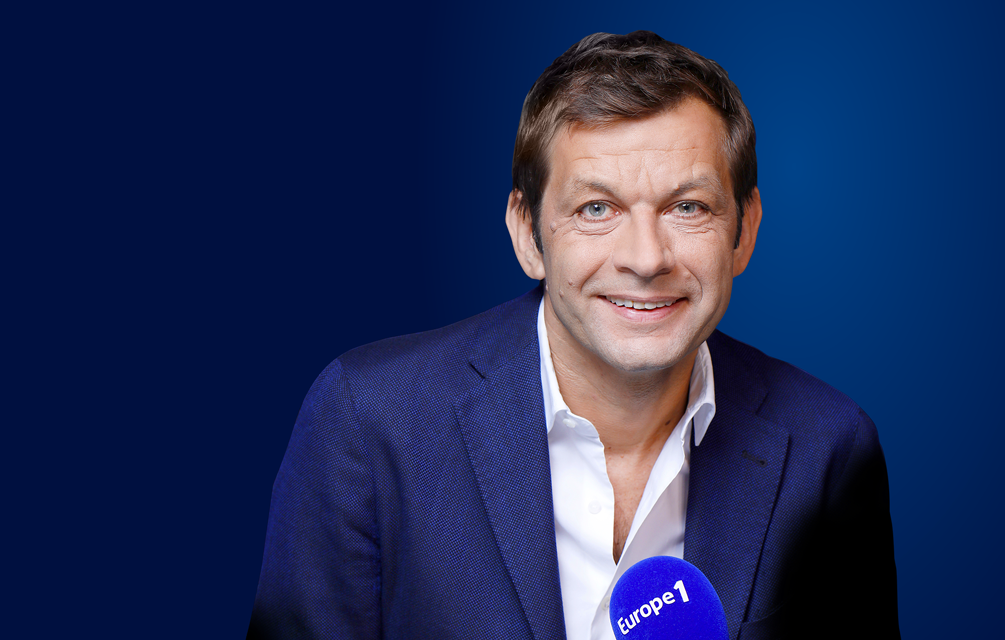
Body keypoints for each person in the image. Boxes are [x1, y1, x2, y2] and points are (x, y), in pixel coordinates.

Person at [249, 31, 898, 640]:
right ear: (528, 234)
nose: (646, 258)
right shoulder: (369, 422)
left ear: (744, 231)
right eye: (596, 208)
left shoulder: (830, 449)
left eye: (688, 207)